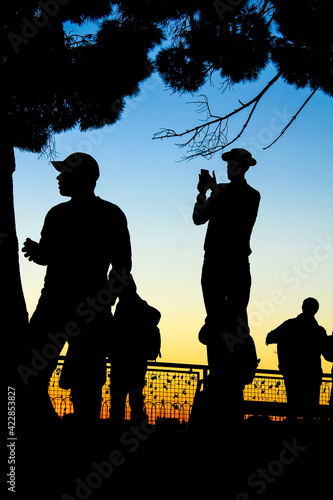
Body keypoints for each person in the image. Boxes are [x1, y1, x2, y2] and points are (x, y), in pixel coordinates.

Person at [20, 152, 132, 424]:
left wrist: (40, 253)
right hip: (82, 307)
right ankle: (77, 439)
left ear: (80, 178)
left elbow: (120, 268)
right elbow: (122, 268)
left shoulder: (61, 214)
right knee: (83, 383)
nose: (58, 178)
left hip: (57, 306)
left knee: (43, 372)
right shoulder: (109, 214)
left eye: (64, 173)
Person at [192, 148, 260, 423]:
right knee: (216, 321)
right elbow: (198, 218)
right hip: (216, 262)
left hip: (234, 263)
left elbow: (232, 211)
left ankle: (229, 382)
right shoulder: (221, 191)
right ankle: (220, 379)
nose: (232, 167)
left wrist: (213, 191)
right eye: (229, 164)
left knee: (232, 320)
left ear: (244, 168)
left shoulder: (249, 194)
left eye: (236, 164)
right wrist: (205, 193)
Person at [266, 298, 327, 420]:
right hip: (312, 375)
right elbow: (327, 352)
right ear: (316, 310)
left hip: (292, 375)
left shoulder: (289, 325)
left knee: (292, 409)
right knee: (310, 411)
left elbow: (269, 338)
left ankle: (292, 436)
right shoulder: (319, 331)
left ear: (302, 307)